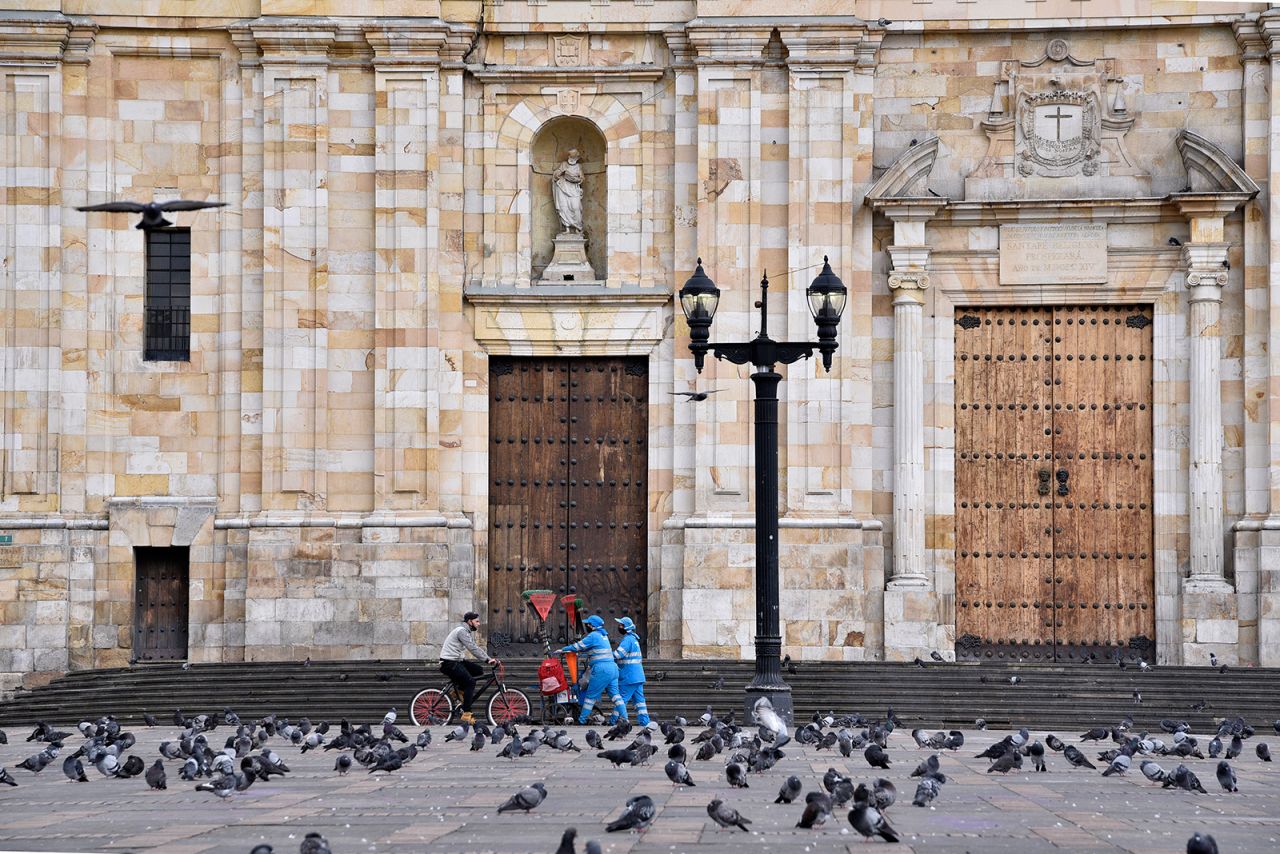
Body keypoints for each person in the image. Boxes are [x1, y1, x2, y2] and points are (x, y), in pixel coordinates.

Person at [556, 614, 626, 725]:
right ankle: (625, 719)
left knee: (590, 697)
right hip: (613, 668)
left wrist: (564, 649)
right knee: (616, 696)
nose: (586, 626)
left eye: (587, 624)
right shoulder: (603, 635)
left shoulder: (593, 635)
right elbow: (592, 648)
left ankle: (582, 720)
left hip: (602, 669)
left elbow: (578, 646)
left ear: (592, 626)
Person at [440, 612, 498, 724]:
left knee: (478, 670)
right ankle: (466, 713)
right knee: (471, 683)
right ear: (469, 621)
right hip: (449, 663)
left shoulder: (465, 631)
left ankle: (459, 692)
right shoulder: (461, 631)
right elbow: (472, 648)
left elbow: (473, 646)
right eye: (477, 621)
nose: (479, 624)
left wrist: (487, 659)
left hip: (457, 661)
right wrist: (487, 659)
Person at [613, 616, 650, 726]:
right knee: (640, 702)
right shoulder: (634, 639)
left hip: (629, 676)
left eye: (620, 625)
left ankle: (614, 720)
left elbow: (618, 655)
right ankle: (645, 722)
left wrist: (605, 655)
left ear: (625, 627)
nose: (619, 627)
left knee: (621, 700)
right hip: (638, 676)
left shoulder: (627, 640)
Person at [552, 149, 584, 233]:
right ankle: (567, 228)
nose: (570, 158)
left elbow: (582, 178)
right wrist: (561, 172)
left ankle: (578, 228)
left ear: (577, 157)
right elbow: (556, 174)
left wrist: (576, 179)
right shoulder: (564, 164)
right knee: (564, 208)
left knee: (576, 207)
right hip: (563, 187)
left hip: (574, 189)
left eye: (573, 156)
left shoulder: (578, 166)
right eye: (569, 156)